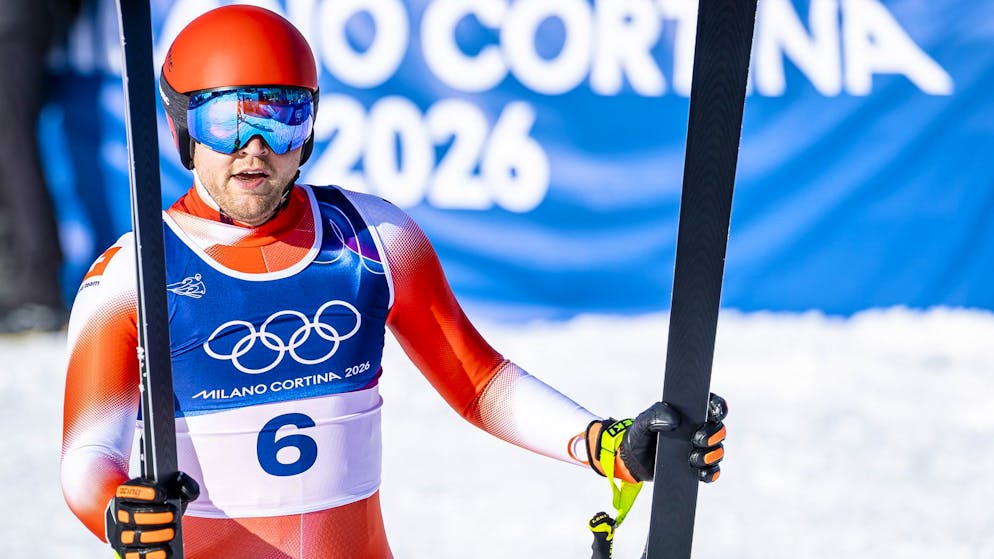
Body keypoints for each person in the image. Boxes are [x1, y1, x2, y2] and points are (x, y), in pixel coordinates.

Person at [60, 6, 727, 559]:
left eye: (279, 117)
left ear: (310, 130)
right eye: (226, 121)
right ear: (182, 129)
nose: (254, 146)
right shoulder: (132, 276)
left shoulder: (372, 240)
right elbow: (88, 454)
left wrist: (602, 442)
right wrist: (118, 509)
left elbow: (480, 381)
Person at [0, 0, 80, 334]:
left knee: (13, 146)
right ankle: (23, 284)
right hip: (18, 21)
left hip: (14, 23)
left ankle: (38, 289)